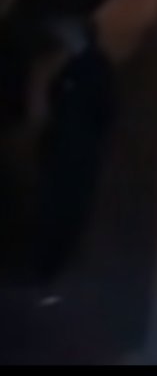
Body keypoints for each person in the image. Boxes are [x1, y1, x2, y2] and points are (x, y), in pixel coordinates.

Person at [28, 16, 115, 301]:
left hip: (74, 152)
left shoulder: (92, 67)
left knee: (63, 210)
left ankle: (50, 268)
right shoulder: (73, 64)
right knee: (54, 208)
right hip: (64, 149)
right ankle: (45, 267)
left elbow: (97, 110)